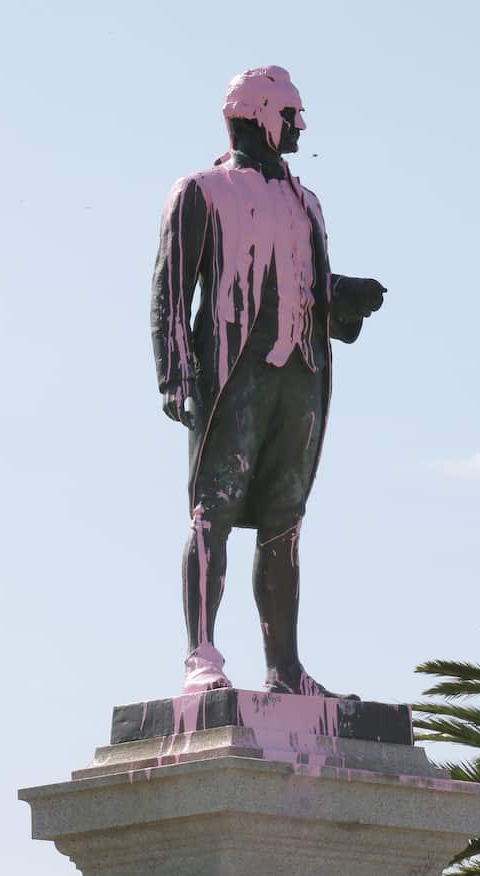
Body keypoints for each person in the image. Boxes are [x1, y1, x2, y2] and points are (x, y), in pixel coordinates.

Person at [150, 66, 386, 697]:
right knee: (214, 511)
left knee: (286, 520)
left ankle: (285, 668)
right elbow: (172, 287)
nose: (301, 126)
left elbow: (310, 285)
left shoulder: (307, 201)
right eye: (290, 114)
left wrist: (348, 295)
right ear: (255, 113)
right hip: (233, 371)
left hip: (302, 375)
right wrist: (176, 373)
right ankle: (202, 656)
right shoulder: (202, 191)